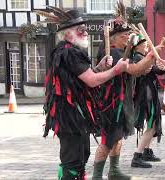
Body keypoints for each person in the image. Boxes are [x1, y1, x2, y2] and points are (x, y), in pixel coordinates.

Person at [39, 7, 129, 180]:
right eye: (81, 30)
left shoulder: (69, 51)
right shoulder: (69, 52)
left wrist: (99, 67)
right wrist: (115, 70)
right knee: (73, 160)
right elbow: (92, 81)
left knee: (79, 156)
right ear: (67, 35)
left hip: (73, 115)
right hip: (70, 116)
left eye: (85, 29)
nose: (86, 32)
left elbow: (83, 79)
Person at [91, 2, 160, 179]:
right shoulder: (112, 53)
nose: (128, 38)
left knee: (118, 138)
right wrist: (151, 56)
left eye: (129, 35)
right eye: (125, 35)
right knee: (108, 141)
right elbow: (134, 70)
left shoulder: (122, 52)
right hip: (111, 104)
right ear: (113, 38)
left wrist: (146, 64)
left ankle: (114, 170)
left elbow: (138, 70)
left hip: (122, 100)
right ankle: (97, 175)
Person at [131, 34, 165, 168]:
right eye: (145, 43)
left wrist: (162, 67)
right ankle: (137, 156)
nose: (147, 45)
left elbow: (157, 71)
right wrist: (156, 61)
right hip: (146, 94)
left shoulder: (143, 57)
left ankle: (146, 151)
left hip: (150, 93)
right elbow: (152, 70)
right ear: (138, 45)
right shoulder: (138, 58)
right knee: (152, 125)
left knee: (153, 124)